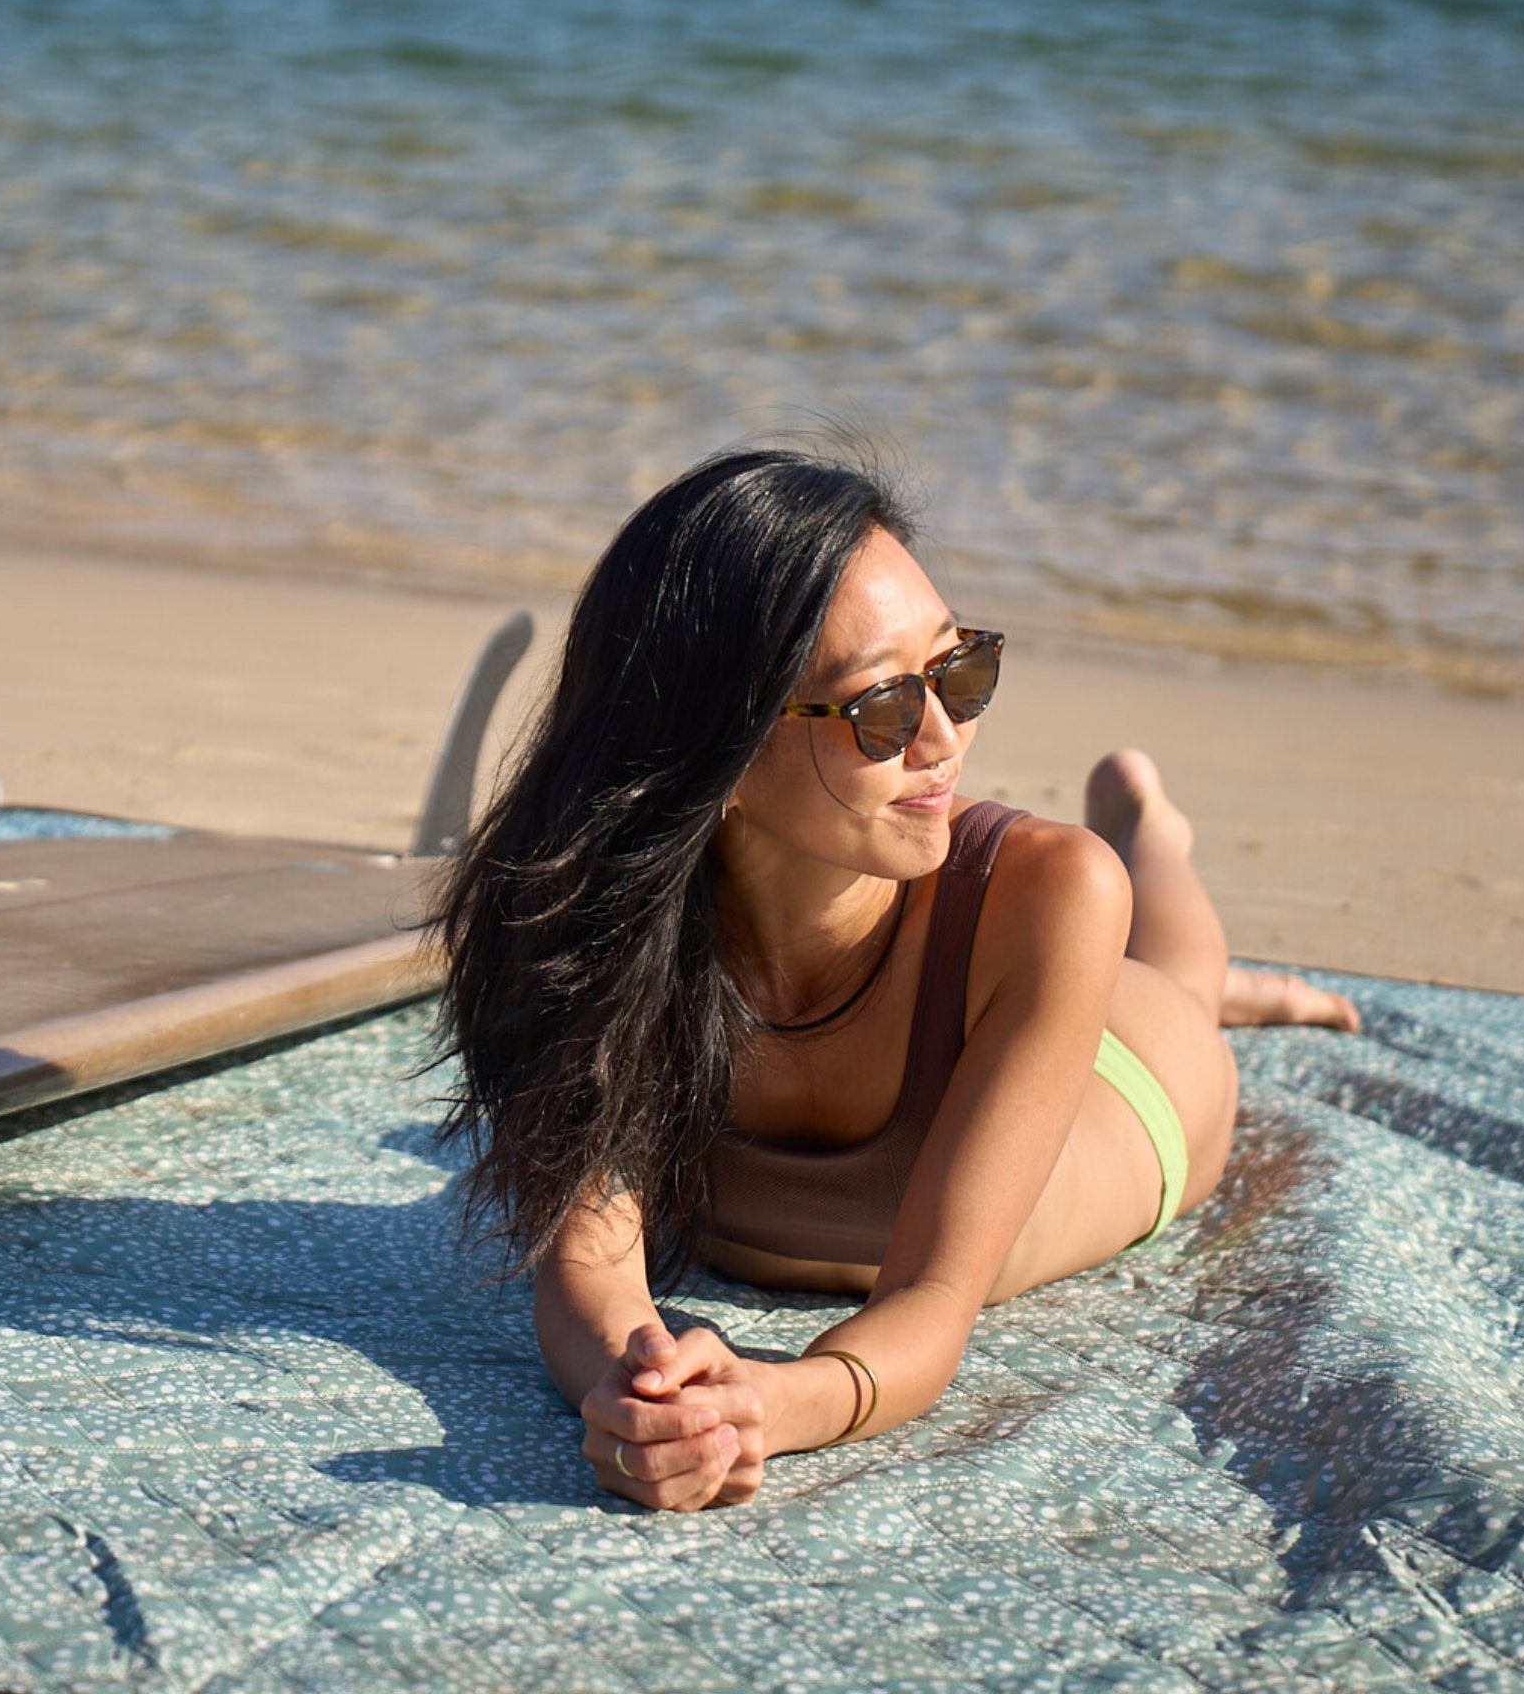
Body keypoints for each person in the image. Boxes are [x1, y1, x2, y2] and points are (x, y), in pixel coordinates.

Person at [438, 445, 1357, 1512]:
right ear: (719, 756)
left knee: (1174, 977)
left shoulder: (1049, 890)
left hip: (1139, 1089)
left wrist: (769, 1406)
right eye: (880, 709)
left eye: (958, 670)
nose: (945, 735)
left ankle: (1148, 827)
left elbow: (931, 1299)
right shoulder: (585, 935)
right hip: (990, 988)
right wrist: (643, 1392)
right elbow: (587, 1271)